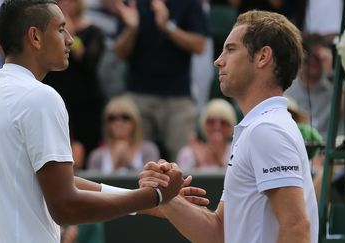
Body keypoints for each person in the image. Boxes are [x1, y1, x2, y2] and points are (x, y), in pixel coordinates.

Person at [0, 1, 186, 242]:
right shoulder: (39, 97)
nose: (70, 39)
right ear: (35, 37)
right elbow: (65, 206)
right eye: (60, 29)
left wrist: (146, 202)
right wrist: (155, 197)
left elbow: (55, 182)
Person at [139, 10, 319, 243]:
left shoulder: (266, 130)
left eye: (231, 49)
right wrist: (168, 198)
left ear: (263, 57)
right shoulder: (259, 128)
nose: (218, 60)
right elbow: (220, 233)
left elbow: (296, 227)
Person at [114, 0, 208, 161]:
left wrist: (168, 27)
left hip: (178, 96)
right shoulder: (132, 4)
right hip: (138, 95)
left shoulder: (190, 3)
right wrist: (131, 29)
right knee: (135, 162)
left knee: (186, 160)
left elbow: (199, 45)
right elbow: (120, 53)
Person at [43, 0, 106, 162]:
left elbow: (90, 63)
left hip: (85, 102)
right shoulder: (48, 33)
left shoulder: (93, 31)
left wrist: (71, 35)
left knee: (87, 148)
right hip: (56, 94)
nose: (66, 4)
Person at [87, 95, 159, 174]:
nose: (118, 123)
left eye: (125, 117)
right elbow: (93, 183)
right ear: (106, 125)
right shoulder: (97, 156)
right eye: (112, 118)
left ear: (134, 122)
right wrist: (115, 163)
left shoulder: (149, 150)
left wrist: (128, 161)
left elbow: (153, 179)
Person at [176, 98, 236, 171]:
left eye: (223, 122)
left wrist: (219, 161)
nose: (217, 127)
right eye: (211, 122)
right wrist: (197, 162)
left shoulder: (236, 152)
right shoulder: (188, 153)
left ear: (231, 127)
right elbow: (182, 180)